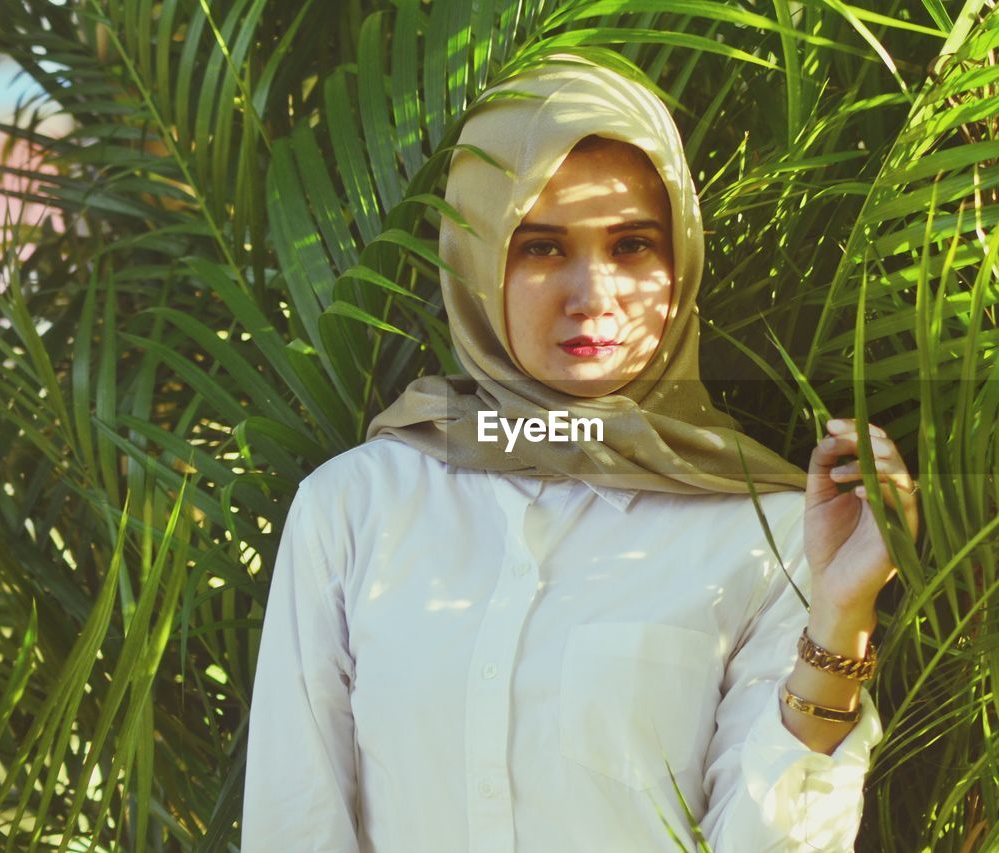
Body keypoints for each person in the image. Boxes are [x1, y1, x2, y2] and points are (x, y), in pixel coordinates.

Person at [242, 53, 920, 852]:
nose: (593, 293)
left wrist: (840, 618)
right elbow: (296, 822)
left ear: (680, 260)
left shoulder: (768, 534)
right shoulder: (358, 507)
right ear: (477, 257)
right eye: (540, 247)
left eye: (633, 245)